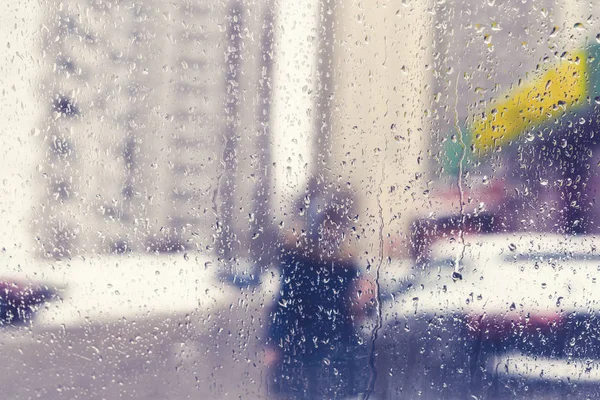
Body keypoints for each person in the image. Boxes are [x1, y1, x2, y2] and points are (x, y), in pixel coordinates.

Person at [264, 183, 374, 399]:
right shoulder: (298, 260)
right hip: (300, 349)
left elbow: (359, 312)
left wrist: (365, 302)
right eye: (326, 223)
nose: (330, 231)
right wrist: (273, 341)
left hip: (339, 350)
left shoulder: (347, 265)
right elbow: (285, 303)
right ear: (315, 224)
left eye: (336, 225)